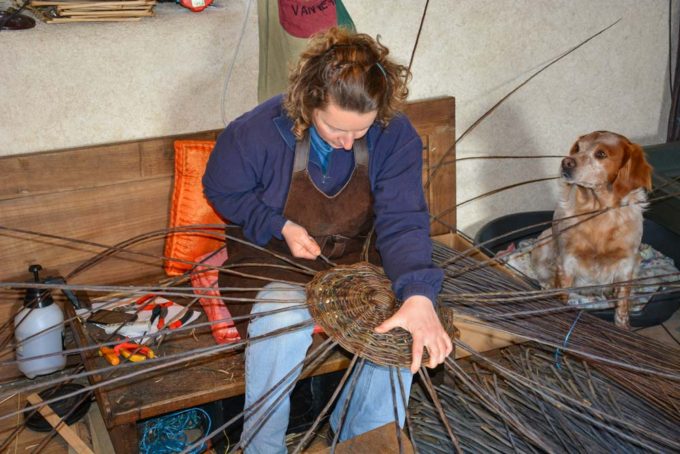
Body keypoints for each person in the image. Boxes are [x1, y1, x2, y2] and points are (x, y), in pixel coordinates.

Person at [203, 26, 452, 453]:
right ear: (309, 99)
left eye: (361, 131)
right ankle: (261, 446)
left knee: (397, 321)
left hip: (354, 256)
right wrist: (277, 224)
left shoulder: (395, 135)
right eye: (335, 128)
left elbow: (403, 219)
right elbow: (222, 191)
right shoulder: (256, 132)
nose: (347, 141)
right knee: (283, 319)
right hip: (272, 255)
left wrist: (417, 295)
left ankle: (366, 438)